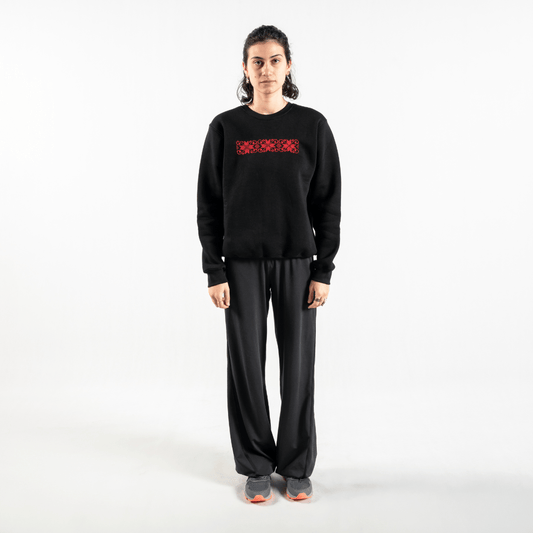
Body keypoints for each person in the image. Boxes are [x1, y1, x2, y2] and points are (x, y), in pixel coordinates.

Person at [196, 25, 342, 503]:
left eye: (275, 60)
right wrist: (214, 270)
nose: (266, 70)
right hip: (240, 265)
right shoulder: (225, 128)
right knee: (245, 366)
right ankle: (256, 464)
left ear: (288, 66)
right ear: (245, 68)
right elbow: (208, 204)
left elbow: (328, 202)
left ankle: (297, 465)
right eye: (257, 61)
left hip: (298, 262)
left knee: (298, 367)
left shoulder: (311, 126)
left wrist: (323, 269)